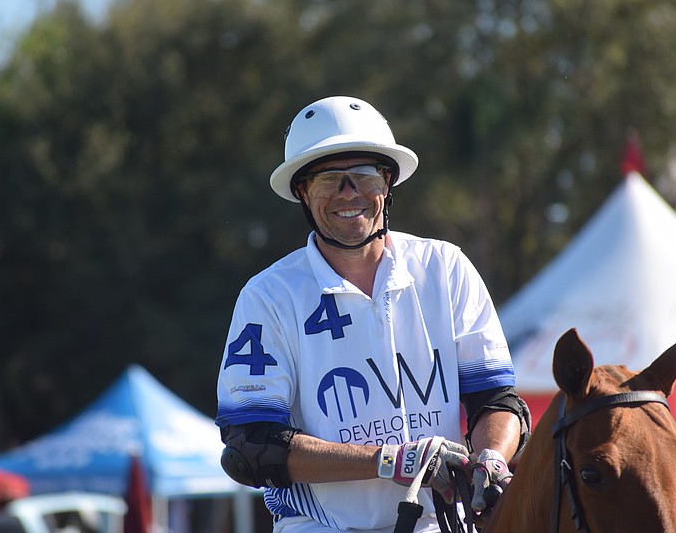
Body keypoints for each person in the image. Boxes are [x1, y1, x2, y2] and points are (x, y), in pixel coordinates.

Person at [216, 96, 529, 532]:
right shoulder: (267, 297)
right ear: (302, 193)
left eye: (364, 175)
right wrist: (390, 461)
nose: (350, 193)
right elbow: (252, 448)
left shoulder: (446, 267)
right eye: (329, 180)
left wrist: (492, 458)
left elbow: (495, 400)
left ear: (387, 183)